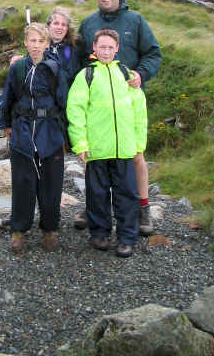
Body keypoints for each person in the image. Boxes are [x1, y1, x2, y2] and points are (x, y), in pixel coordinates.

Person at [76, 0, 162, 235]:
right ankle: (95, 208)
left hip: (128, 102)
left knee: (135, 155)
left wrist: (141, 73)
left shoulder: (135, 21)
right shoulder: (88, 24)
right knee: (94, 157)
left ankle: (142, 207)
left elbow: (153, 54)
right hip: (98, 105)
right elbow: (76, 57)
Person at [67, 29, 147, 257]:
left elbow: (139, 111)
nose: (106, 51)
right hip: (97, 149)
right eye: (102, 47)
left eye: (110, 47)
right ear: (94, 48)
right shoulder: (86, 76)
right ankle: (99, 234)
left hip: (124, 150)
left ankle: (126, 238)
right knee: (98, 195)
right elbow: (75, 110)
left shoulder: (127, 75)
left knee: (127, 195)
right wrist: (80, 144)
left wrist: (138, 143)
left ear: (117, 49)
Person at [0, 23, 68, 253]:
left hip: (50, 133)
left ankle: (50, 229)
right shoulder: (17, 68)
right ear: (25, 42)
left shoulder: (55, 68)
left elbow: (65, 103)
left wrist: (66, 135)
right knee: (22, 184)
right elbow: (7, 98)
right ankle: (18, 230)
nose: (36, 45)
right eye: (32, 41)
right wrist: (6, 124)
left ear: (47, 44)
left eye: (41, 41)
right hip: (23, 131)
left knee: (52, 185)